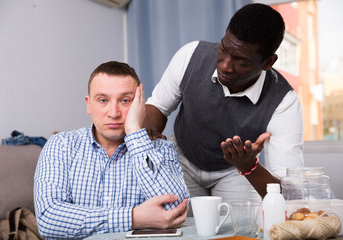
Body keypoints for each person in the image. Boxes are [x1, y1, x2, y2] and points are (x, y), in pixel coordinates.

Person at [144, 3, 304, 205]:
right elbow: (158, 106)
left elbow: (290, 193)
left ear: (268, 63)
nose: (225, 65)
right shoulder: (191, 55)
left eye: (241, 61)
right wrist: (148, 136)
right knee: (178, 226)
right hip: (182, 159)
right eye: (223, 49)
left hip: (236, 171)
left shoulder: (284, 102)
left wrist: (248, 166)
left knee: (241, 230)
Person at [34, 61, 190, 239]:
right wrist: (133, 217)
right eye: (103, 100)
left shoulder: (161, 149)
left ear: (139, 105)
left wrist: (134, 132)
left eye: (125, 100)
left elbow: (175, 211)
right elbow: (48, 219)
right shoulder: (60, 145)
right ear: (88, 104)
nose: (114, 113)